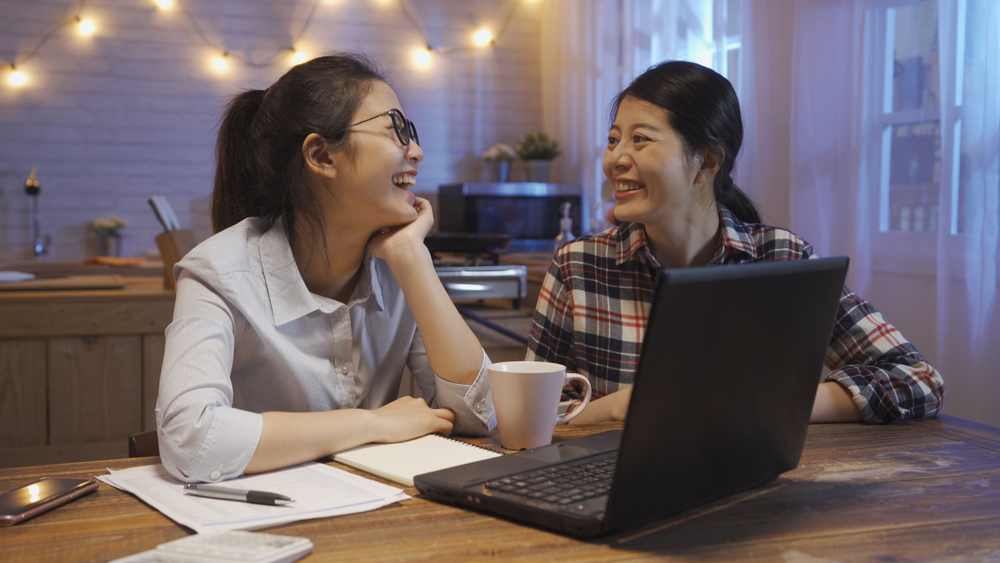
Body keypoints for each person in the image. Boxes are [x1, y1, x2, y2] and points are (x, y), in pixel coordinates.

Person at [526, 60, 944, 425]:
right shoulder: (578, 265)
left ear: (706, 161)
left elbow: (917, 378)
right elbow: (524, 409)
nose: (615, 158)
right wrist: (618, 408)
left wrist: (767, 406)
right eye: (614, 138)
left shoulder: (781, 260)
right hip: (607, 492)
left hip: (749, 489)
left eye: (640, 139)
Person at [156, 54, 495, 483]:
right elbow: (191, 438)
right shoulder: (218, 271)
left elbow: (480, 415)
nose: (417, 151)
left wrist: (414, 258)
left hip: (381, 513)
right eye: (396, 131)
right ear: (321, 155)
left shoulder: (397, 264)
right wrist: (373, 424)